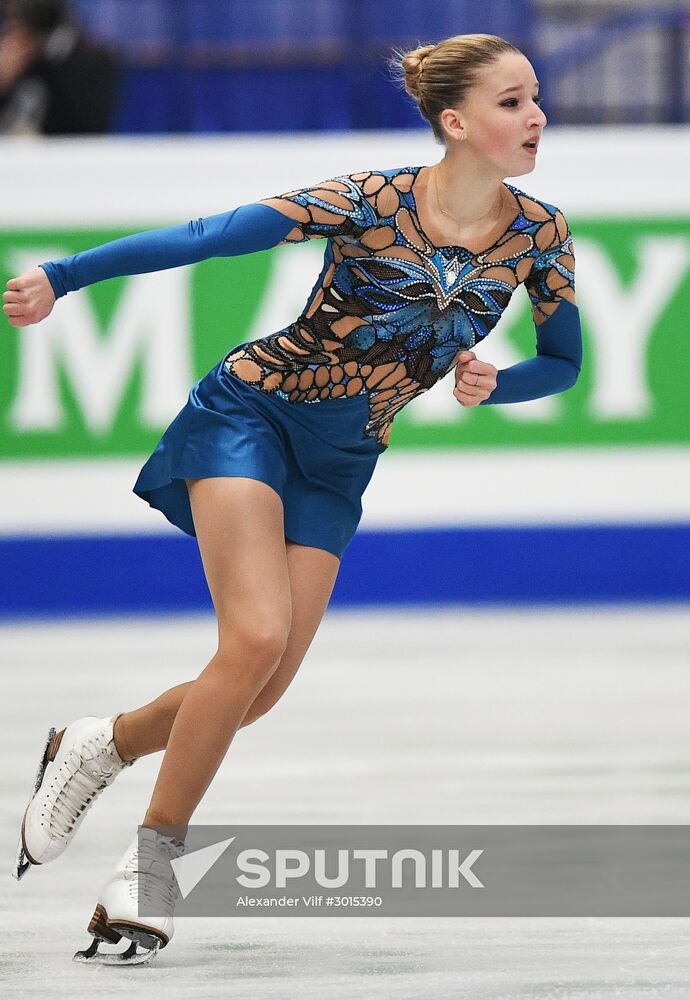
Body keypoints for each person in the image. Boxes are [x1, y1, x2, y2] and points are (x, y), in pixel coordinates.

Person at [4, 33, 582, 964]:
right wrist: (64, 278)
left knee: (257, 693)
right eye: (513, 102)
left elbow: (563, 363)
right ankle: (151, 867)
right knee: (257, 638)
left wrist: (495, 384)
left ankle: (99, 743)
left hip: (343, 460)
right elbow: (207, 236)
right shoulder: (366, 200)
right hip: (253, 416)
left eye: (535, 98)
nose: (537, 117)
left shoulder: (540, 233)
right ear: (456, 122)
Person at [0, 0, 119, 135]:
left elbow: (88, 126)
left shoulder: (93, 58)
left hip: (66, 152)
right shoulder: (9, 55)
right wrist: (4, 80)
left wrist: (51, 56)